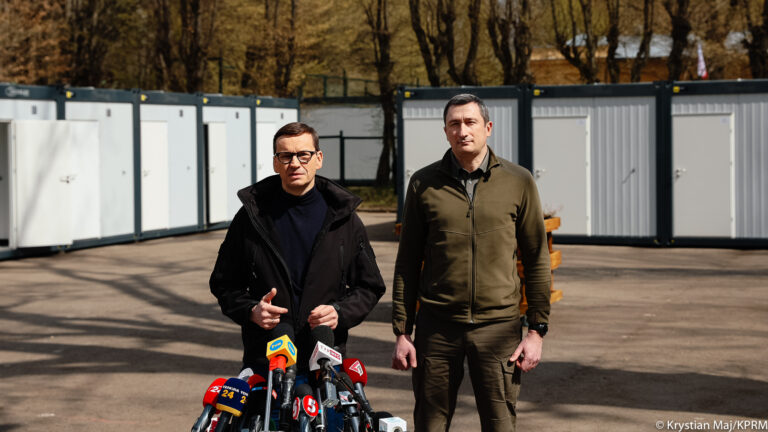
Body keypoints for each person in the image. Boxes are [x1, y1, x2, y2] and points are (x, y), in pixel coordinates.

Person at [390, 93, 551, 431]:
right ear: (445, 131)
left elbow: (536, 257)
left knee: (499, 423)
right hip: (437, 328)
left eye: (470, 122)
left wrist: (537, 330)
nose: (462, 131)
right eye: (454, 124)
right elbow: (408, 261)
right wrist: (402, 331)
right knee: (430, 424)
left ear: (487, 127)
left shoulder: (518, 181)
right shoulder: (423, 183)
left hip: (498, 329)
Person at [210, 121, 386, 377]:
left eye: (304, 155)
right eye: (286, 156)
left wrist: (339, 313)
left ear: (318, 159)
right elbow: (224, 284)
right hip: (266, 359)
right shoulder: (251, 217)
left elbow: (370, 286)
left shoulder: (343, 218)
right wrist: (251, 311)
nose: (294, 163)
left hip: (325, 359)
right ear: (275, 163)